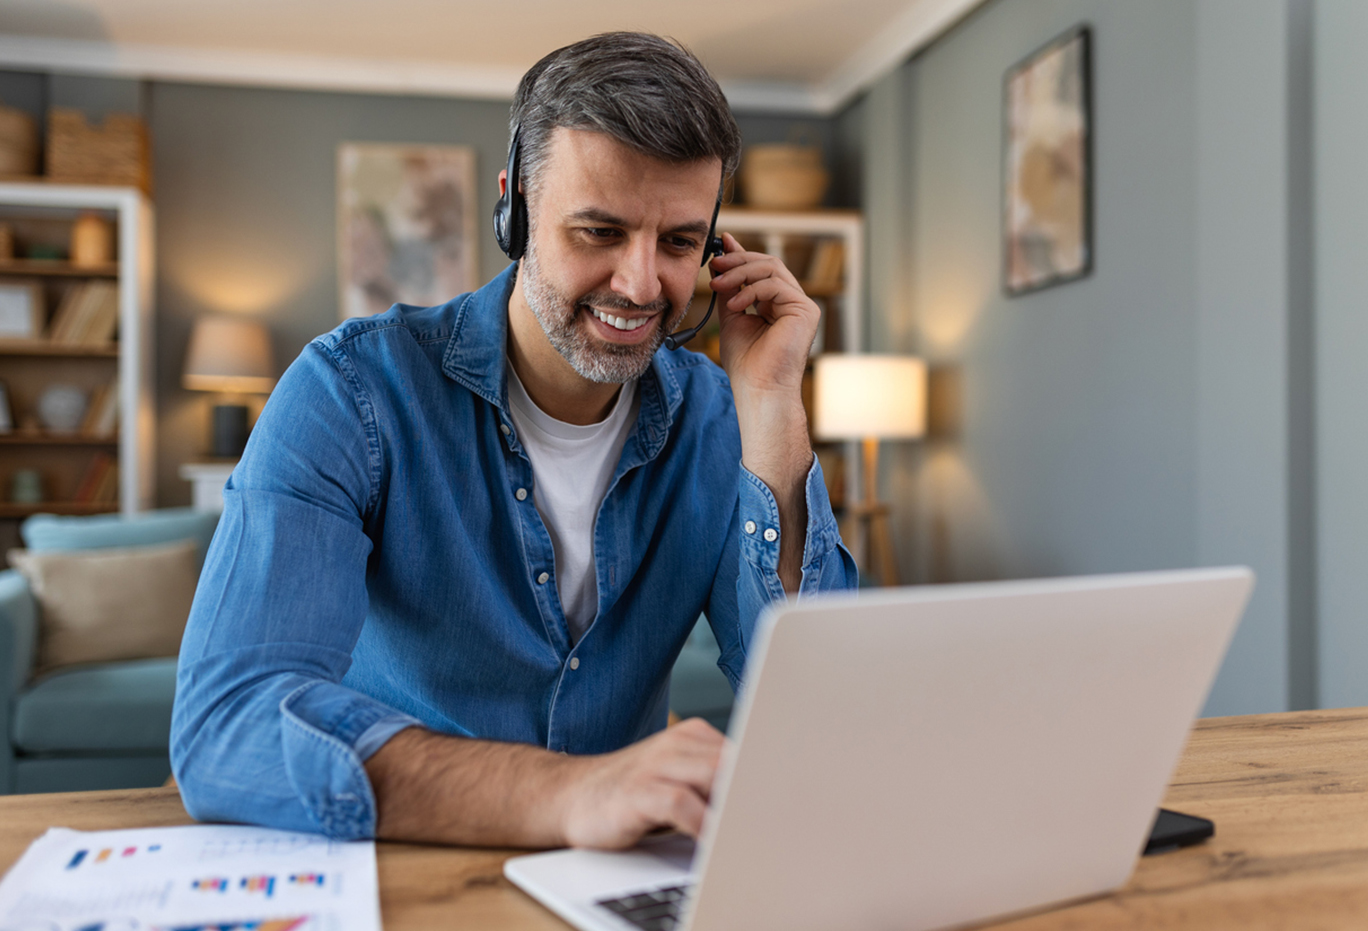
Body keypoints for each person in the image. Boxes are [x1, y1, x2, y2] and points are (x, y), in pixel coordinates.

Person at [170, 32, 857, 850]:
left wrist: (773, 407)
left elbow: (827, 714)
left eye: (679, 242)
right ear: (515, 211)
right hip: (412, 862)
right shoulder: (350, 391)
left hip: (617, 878)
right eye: (598, 232)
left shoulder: (720, 419)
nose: (641, 285)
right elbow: (226, 726)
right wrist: (570, 793)